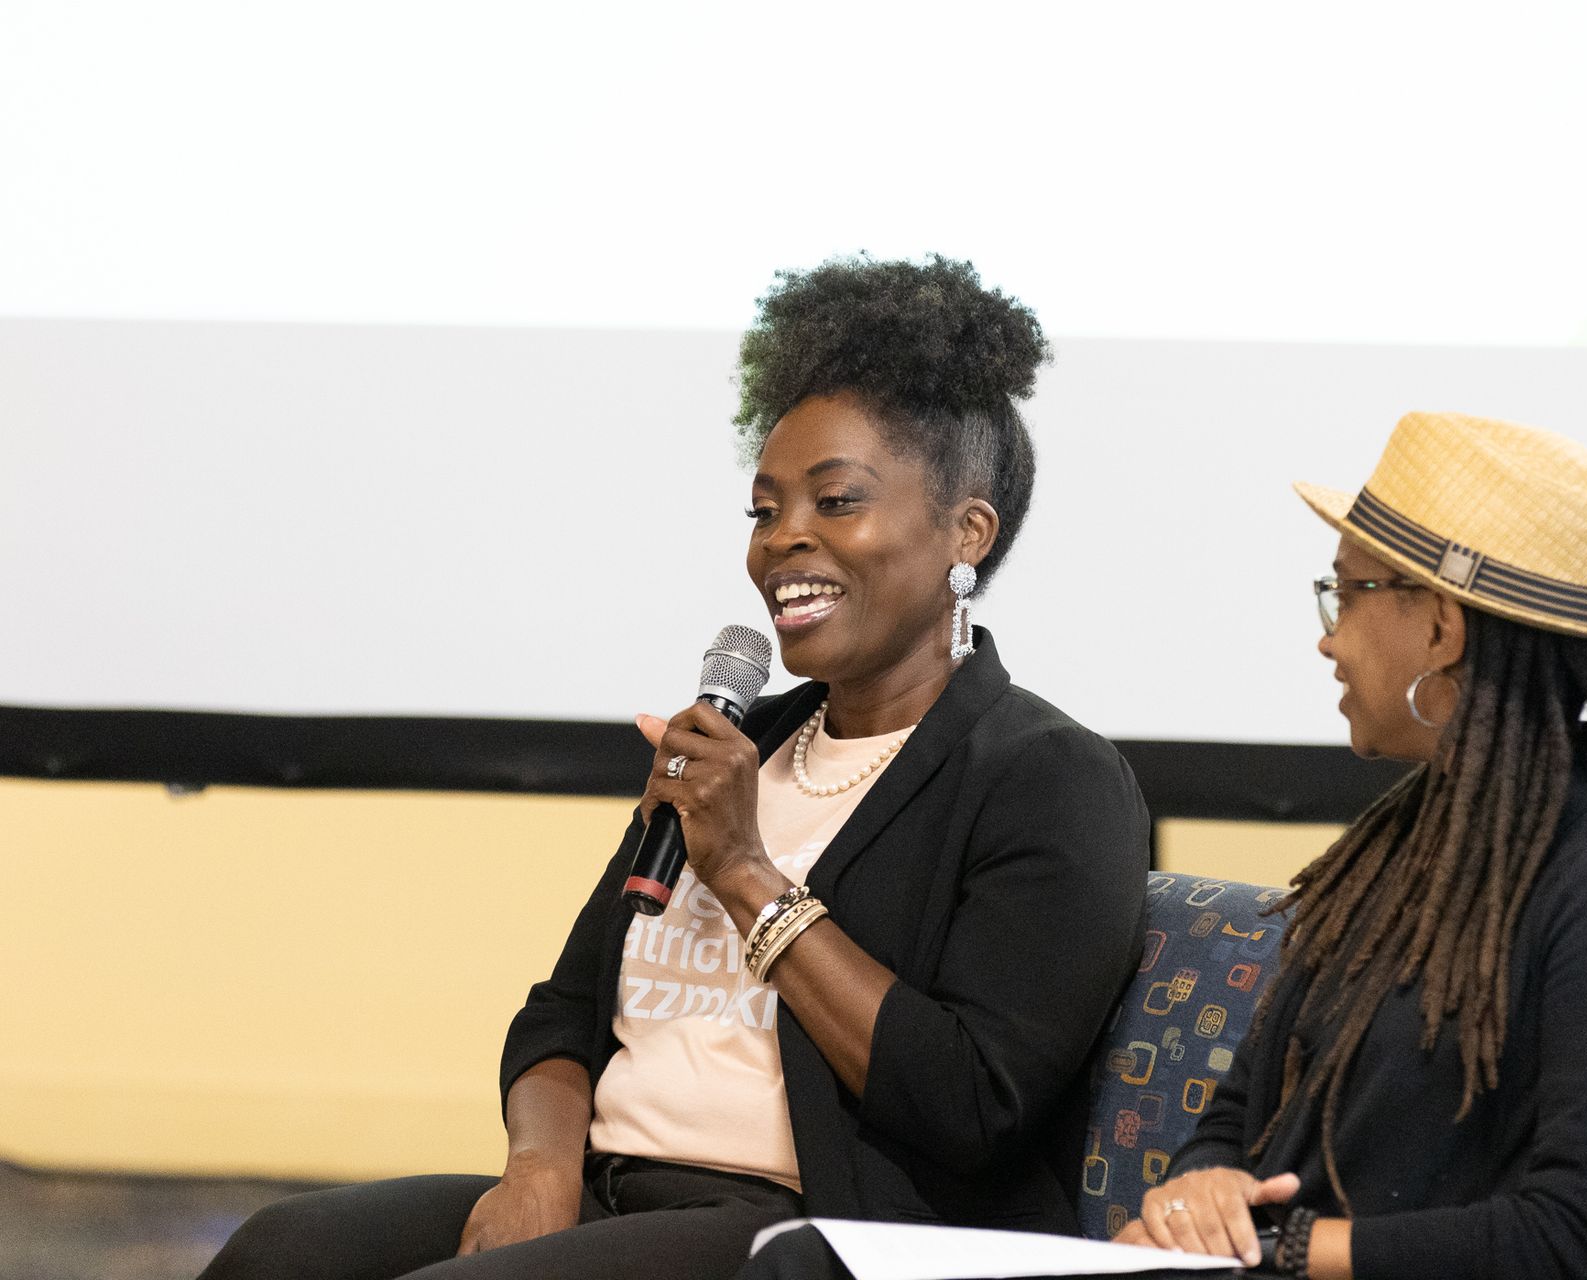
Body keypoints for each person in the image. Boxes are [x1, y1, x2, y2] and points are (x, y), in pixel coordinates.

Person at [200, 255, 1151, 1280]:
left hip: (819, 1226)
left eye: (835, 502)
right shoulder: (744, 744)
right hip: (608, 1185)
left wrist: (746, 869)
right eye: (764, 508)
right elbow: (565, 1009)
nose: (784, 538)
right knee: (277, 1250)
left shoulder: (1048, 777)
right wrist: (538, 1169)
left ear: (967, 531)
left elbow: (972, 1103)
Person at [1111, 412, 1587, 1280]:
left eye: (1347, 592)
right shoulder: (1406, 850)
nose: (1327, 638)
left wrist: (1279, 1251)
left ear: (1442, 629)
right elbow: (1239, 1116)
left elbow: (1576, 1245)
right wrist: (1200, 1197)